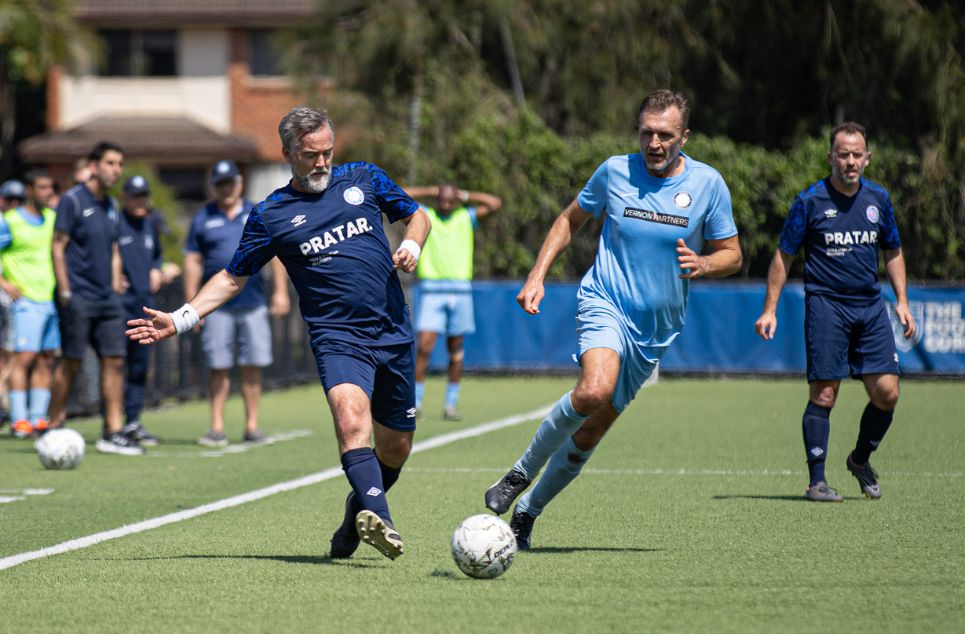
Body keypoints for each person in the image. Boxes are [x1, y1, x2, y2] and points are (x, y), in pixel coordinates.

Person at [127, 106, 430, 560]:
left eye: (328, 152)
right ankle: (381, 519)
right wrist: (181, 317)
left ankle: (357, 512)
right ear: (288, 152)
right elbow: (233, 277)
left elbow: (417, 215)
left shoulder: (364, 178)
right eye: (311, 155)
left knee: (397, 447)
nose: (322, 163)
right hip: (337, 337)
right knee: (351, 421)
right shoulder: (270, 214)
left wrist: (411, 243)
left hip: (392, 331)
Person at [483, 90, 742, 549]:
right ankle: (519, 472)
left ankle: (527, 513)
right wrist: (537, 275)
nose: (655, 143)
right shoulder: (615, 171)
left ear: (685, 136)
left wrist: (704, 264)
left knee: (590, 431)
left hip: (656, 330)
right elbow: (568, 219)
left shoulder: (708, 185)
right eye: (647, 133)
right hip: (605, 300)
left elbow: (733, 255)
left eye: (665, 135)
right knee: (594, 389)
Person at [754, 121, 916, 502]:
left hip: (870, 307)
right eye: (842, 154)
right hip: (826, 304)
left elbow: (892, 250)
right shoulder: (809, 201)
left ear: (867, 158)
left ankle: (859, 460)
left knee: (887, 394)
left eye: (857, 154)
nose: (850, 161)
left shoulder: (878, 199)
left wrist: (903, 302)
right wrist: (770, 309)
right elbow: (784, 255)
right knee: (825, 394)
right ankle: (817, 482)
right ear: (830, 157)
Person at [184, 160, 290, 447]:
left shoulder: (256, 212)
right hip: (217, 306)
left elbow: (276, 253)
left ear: (240, 183)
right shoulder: (202, 217)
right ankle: (217, 426)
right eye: (220, 183)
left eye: (229, 182)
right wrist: (193, 305)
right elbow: (193, 260)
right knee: (217, 365)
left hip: (253, 302)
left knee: (252, 364)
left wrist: (280, 292)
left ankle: (252, 425)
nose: (225, 188)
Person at [48, 141, 139, 455]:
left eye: (119, 164)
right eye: (111, 163)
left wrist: (115, 287)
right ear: (94, 165)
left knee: (114, 361)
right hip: (78, 297)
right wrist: (65, 291)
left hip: (107, 300)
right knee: (71, 362)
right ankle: (53, 423)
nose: (116, 170)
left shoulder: (112, 205)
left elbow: (114, 249)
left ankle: (112, 430)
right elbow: (58, 246)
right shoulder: (72, 200)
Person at [403, 183, 501, 420]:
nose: (445, 205)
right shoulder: (426, 215)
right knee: (424, 347)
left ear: (456, 200)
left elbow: (494, 203)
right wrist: (431, 190)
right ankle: (416, 403)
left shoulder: (466, 217)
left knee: (455, 350)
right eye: (442, 200)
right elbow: (400, 194)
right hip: (431, 290)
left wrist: (465, 194)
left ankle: (450, 404)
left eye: (450, 201)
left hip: (460, 291)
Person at [0, 170, 58, 438]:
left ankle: (38, 419)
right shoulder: (9, 221)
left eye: (50, 187)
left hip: (50, 301)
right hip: (25, 302)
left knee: (46, 360)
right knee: (23, 359)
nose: (48, 192)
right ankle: (19, 419)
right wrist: (5, 283)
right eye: (43, 187)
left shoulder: (52, 220)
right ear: (29, 190)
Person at [117, 175, 164, 445]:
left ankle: (133, 422)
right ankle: (112, 424)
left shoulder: (150, 224)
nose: (140, 200)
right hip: (118, 310)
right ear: (124, 197)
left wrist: (157, 269)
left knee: (139, 368)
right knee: (115, 367)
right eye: (135, 195)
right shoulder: (116, 223)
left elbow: (156, 255)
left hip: (144, 309)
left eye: (143, 195)